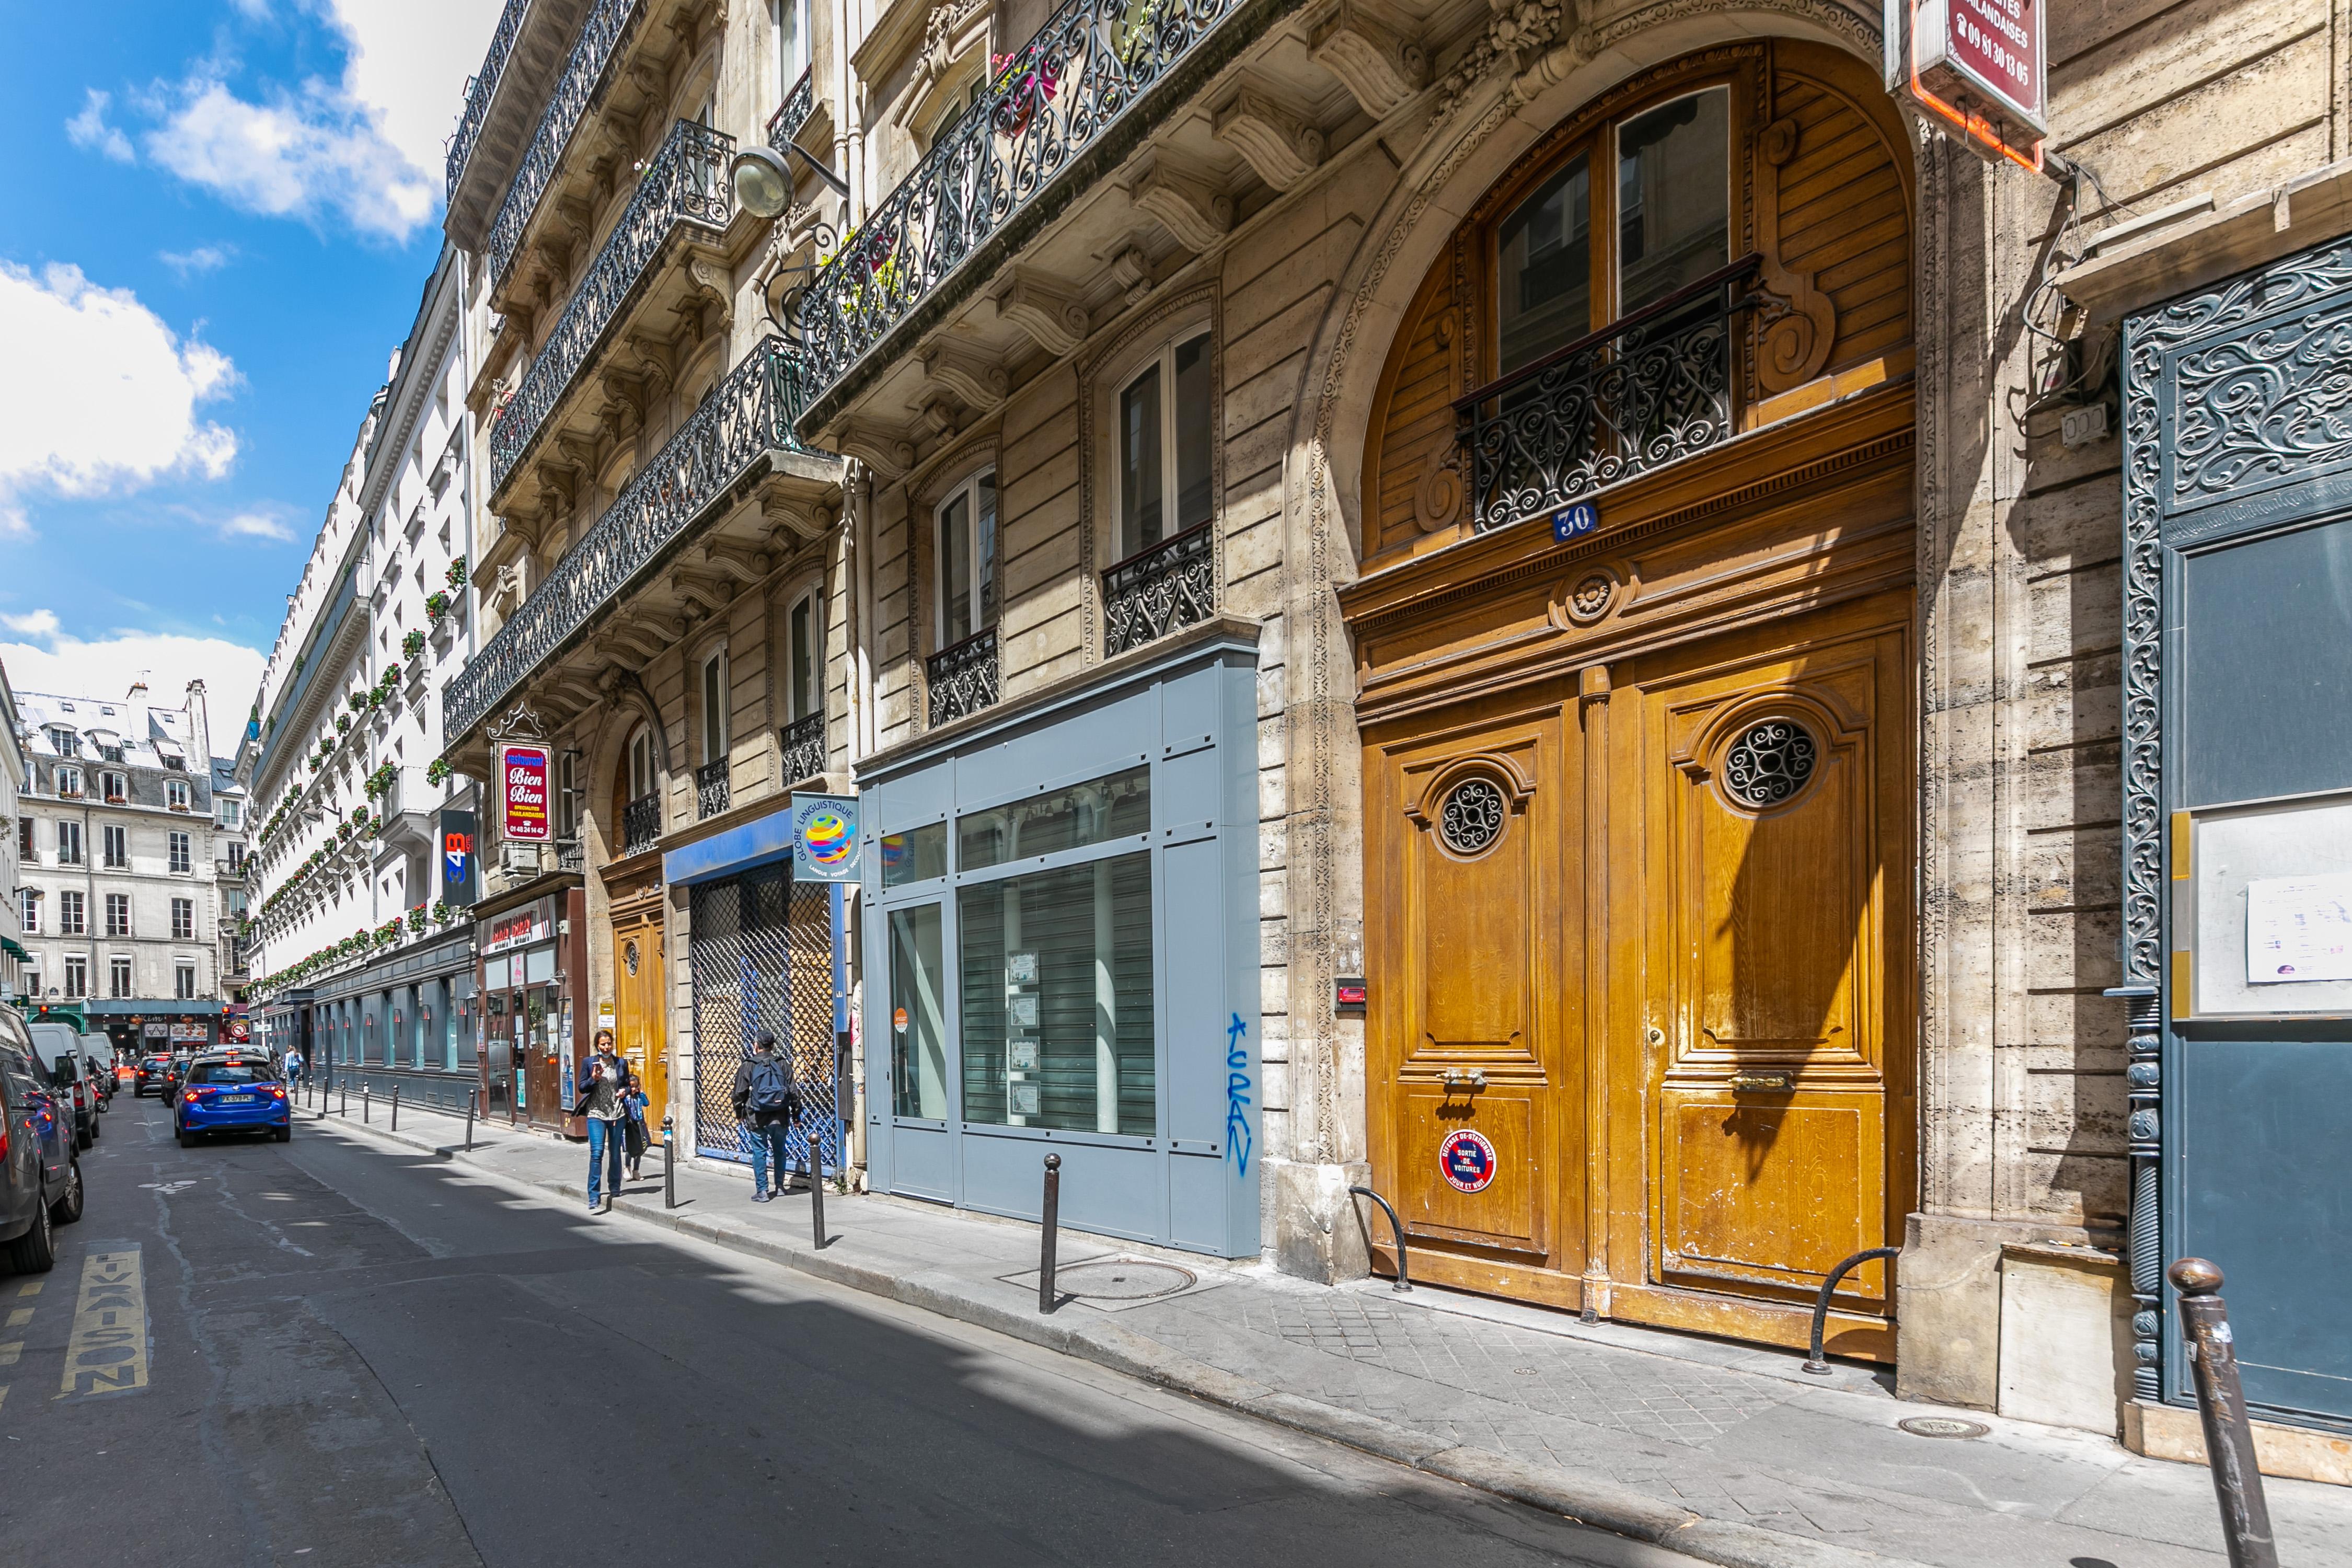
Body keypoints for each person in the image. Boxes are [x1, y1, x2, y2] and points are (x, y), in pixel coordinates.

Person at [729, 1031, 800, 1203]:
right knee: (780, 1151)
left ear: (756, 1046)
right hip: (780, 1116)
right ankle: (781, 1187)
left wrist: (739, 1113)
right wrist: (796, 1115)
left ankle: (762, 1191)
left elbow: (739, 1093)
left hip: (757, 1116)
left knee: (759, 1152)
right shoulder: (783, 1064)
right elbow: (794, 1093)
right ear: (773, 1046)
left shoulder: (749, 1065)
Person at [577, 1030, 634, 1214]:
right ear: (597, 1045)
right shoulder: (589, 1063)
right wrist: (594, 1079)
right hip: (596, 1113)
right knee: (597, 1152)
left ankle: (615, 1187)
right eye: (603, 1044)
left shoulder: (621, 1063)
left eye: (609, 1043)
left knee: (615, 1152)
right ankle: (594, 1195)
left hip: (617, 1113)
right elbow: (582, 1088)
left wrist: (624, 1091)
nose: (607, 1047)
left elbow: (626, 1083)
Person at [622, 1077, 650, 1181]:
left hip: (640, 1125)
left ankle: (636, 1171)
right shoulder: (625, 1098)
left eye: (635, 1086)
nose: (633, 1089)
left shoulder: (639, 1097)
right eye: (631, 1087)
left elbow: (647, 1103)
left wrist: (642, 1093)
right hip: (629, 1126)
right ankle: (627, 1167)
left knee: (641, 1148)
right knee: (630, 1149)